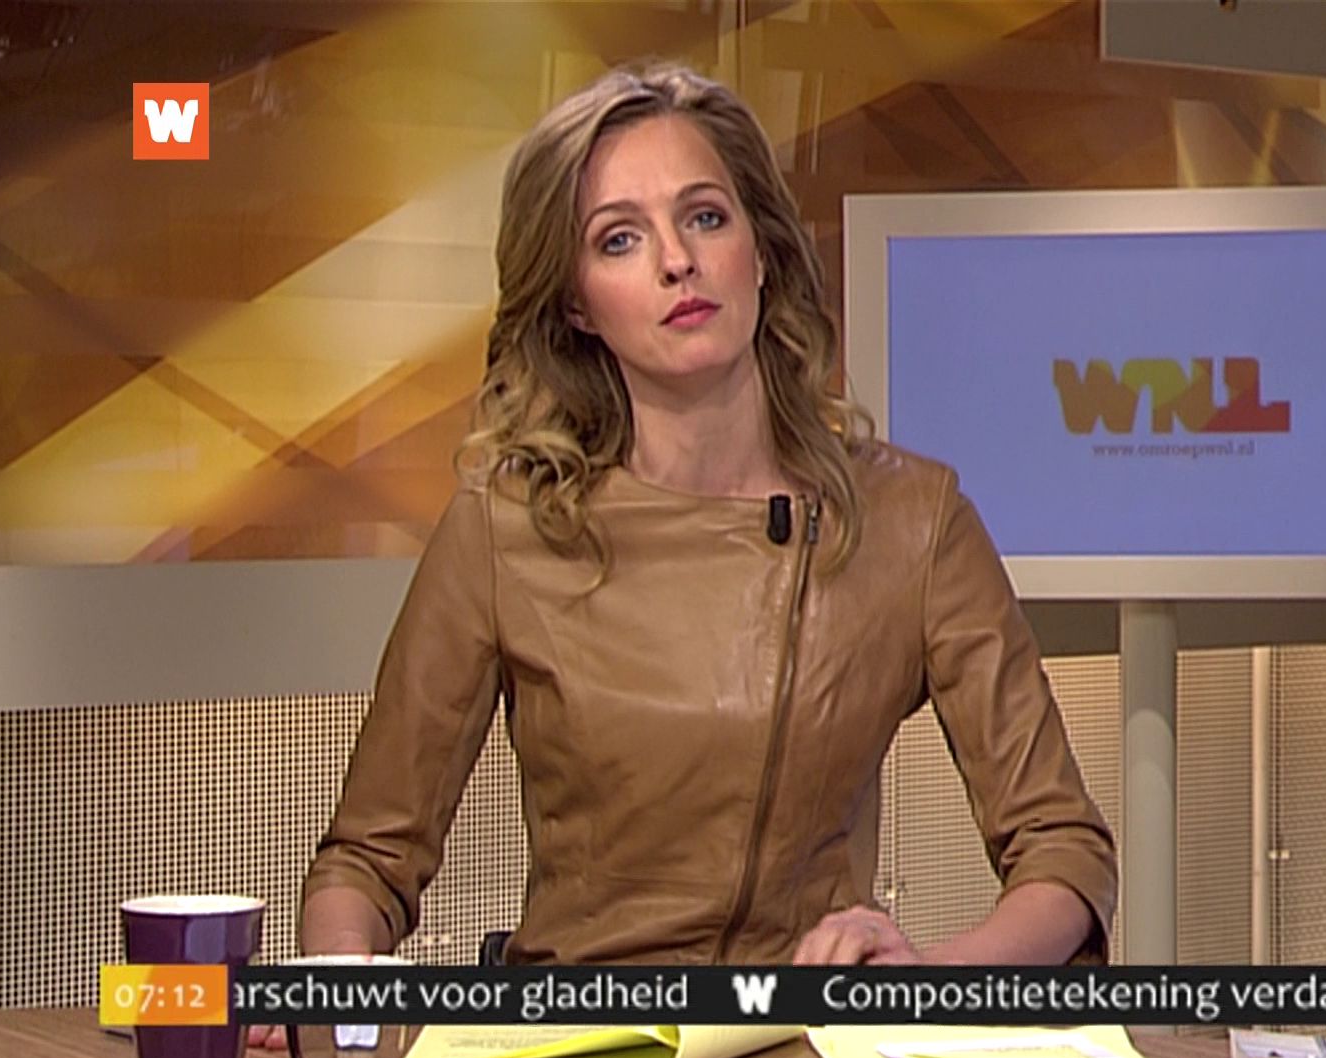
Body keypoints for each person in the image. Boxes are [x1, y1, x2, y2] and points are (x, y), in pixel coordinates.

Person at [298, 61, 1116, 976]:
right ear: (576, 303)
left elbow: (1063, 851)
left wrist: (926, 983)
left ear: (760, 251)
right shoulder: (507, 528)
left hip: (806, 1029)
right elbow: (366, 863)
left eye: (705, 217)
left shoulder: (911, 520)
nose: (675, 261)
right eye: (619, 239)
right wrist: (339, 986)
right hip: (580, 1031)